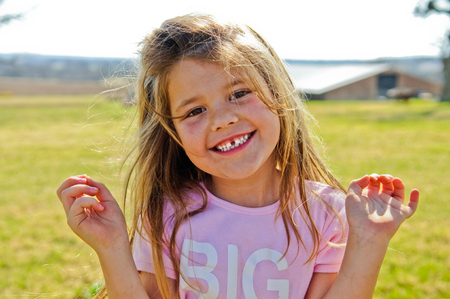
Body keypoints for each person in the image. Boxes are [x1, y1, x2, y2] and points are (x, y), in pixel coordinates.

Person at [56, 14, 419, 299]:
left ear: (278, 95)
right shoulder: (168, 215)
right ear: (173, 133)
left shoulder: (327, 213)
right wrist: (113, 248)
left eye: (239, 93)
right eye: (194, 111)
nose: (224, 119)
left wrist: (369, 243)